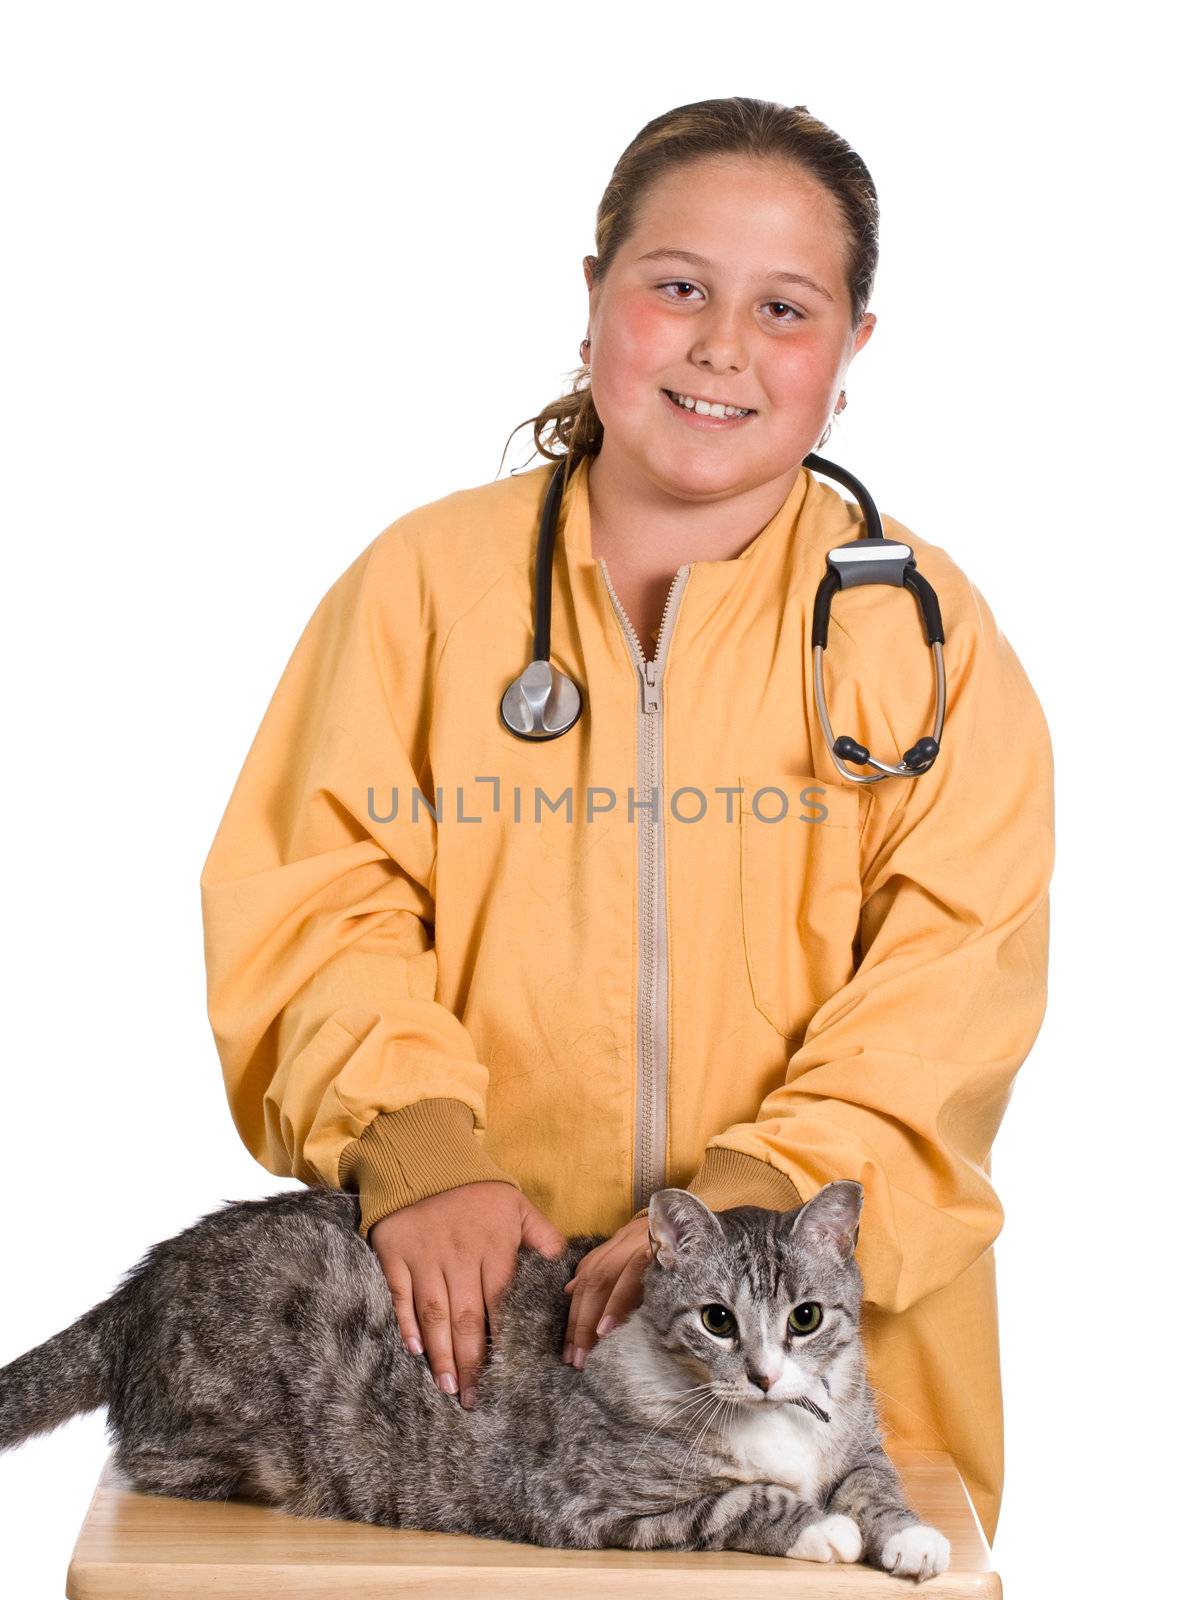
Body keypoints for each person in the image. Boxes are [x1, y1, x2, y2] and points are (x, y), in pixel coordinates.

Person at [200, 96, 1053, 1547]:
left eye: (784, 306)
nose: (723, 346)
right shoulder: (421, 588)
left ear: (851, 354)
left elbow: (954, 980)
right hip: (477, 1380)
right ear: (595, 293)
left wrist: (767, 1192)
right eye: (677, 286)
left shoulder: (923, 633)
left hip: (822, 1402)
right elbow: (314, 891)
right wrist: (412, 1140)